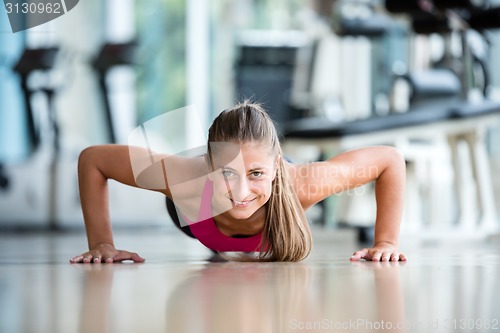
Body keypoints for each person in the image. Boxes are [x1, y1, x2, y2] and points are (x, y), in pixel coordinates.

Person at [70, 101, 407, 263]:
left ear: (276, 167)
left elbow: (389, 160)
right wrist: (102, 244)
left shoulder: (303, 182)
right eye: (226, 173)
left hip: (276, 194)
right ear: (207, 164)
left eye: (256, 174)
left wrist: (387, 243)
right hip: (195, 215)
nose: (241, 192)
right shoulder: (185, 179)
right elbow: (93, 160)